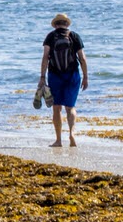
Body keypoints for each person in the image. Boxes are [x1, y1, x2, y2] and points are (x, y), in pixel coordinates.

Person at [38, 12, 89, 147]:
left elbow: (45, 58)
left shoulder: (50, 37)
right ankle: (72, 134)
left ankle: (58, 140)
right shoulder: (74, 36)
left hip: (55, 75)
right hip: (72, 75)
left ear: (55, 25)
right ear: (67, 24)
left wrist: (42, 77)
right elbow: (82, 58)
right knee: (70, 107)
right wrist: (85, 77)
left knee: (56, 108)